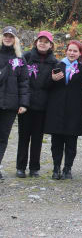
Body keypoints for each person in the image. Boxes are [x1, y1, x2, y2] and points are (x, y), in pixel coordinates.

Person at [44, 40, 82, 180]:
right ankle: (56, 168)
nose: (72, 53)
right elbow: (46, 85)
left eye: (75, 51)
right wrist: (52, 79)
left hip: (74, 111)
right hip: (56, 110)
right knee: (56, 142)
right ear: (66, 51)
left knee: (71, 143)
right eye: (70, 50)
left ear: (79, 53)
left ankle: (67, 169)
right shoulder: (57, 65)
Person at [16, 31, 58, 178]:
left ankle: (34, 167)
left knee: (37, 138)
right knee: (23, 137)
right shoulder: (25, 57)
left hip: (42, 105)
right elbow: (18, 78)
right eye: (41, 40)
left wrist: (53, 79)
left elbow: (51, 87)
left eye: (46, 41)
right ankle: (20, 167)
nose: (43, 43)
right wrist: (20, 100)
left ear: (51, 45)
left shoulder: (55, 62)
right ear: (36, 42)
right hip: (25, 104)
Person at [0, 26, 29, 180]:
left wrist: (24, 103)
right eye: (6, 35)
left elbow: (24, 82)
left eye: (11, 36)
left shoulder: (19, 59)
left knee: (3, 138)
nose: (8, 38)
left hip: (10, 105)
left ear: (15, 39)